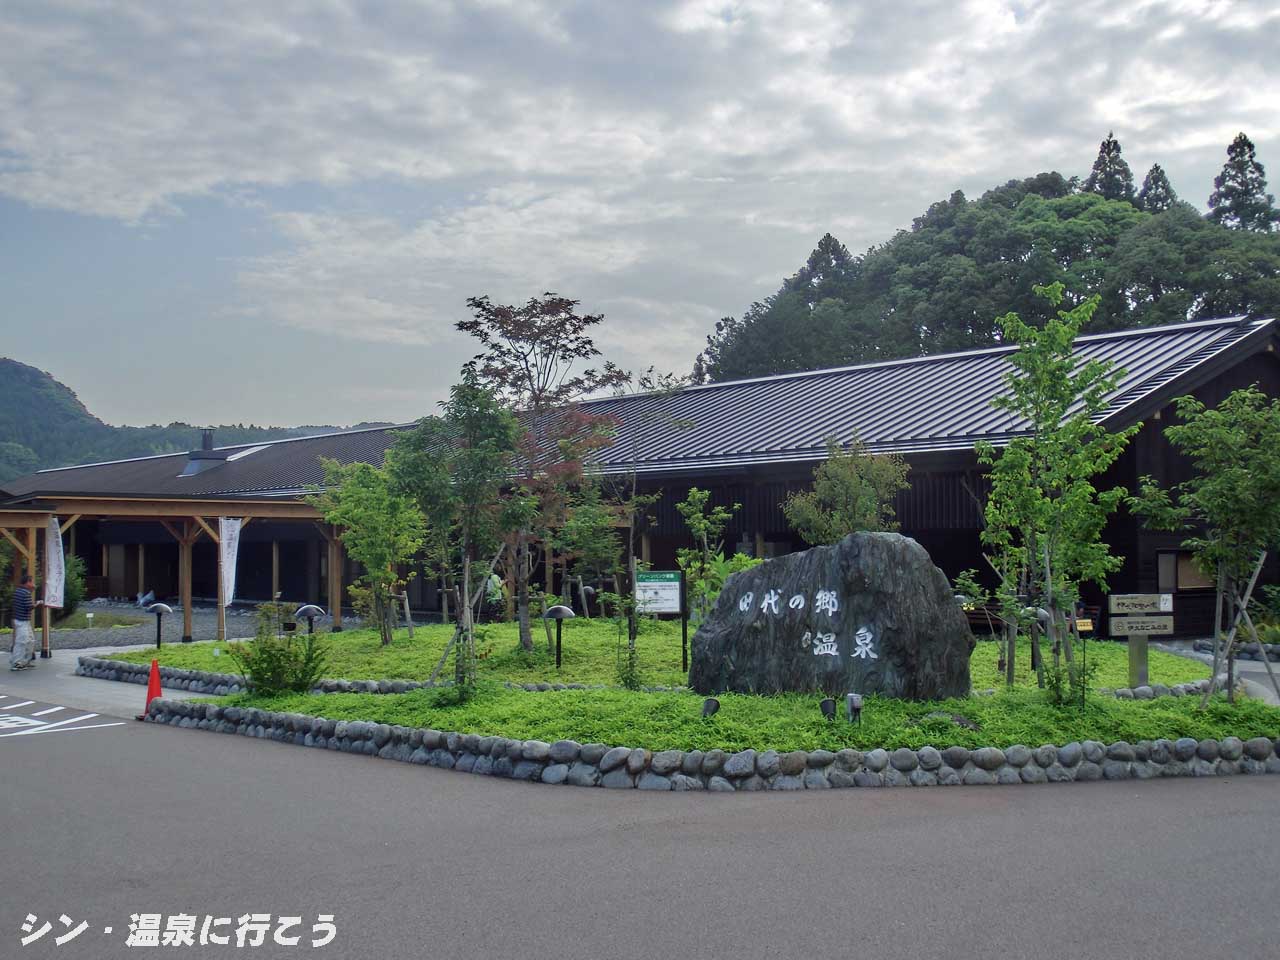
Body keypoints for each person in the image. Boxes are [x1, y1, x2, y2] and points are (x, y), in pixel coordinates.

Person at [9, 574, 41, 671]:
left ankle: (25, 661)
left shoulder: (18, 591)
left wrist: (31, 591)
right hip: (22, 621)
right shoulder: (25, 593)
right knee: (21, 642)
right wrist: (38, 603)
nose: (34, 584)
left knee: (30, 640)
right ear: (28, 582)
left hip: (20, 620)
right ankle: (16, 663)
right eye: (32, 582)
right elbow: (29, 607)